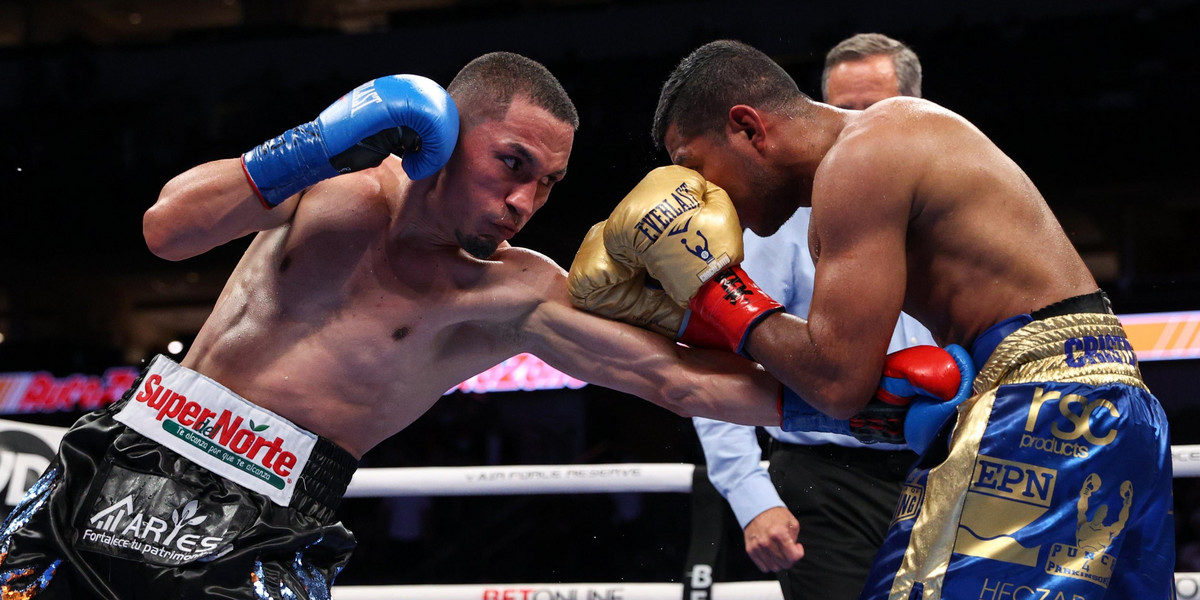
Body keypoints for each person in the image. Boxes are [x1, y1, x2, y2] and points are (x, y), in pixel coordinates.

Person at [0, 52, 798, 600]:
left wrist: (849, 400)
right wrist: (315, 143)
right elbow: (167, 230)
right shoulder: (332, 182)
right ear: (447, 132)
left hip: (260, 524)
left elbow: (673, 377)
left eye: (548, 184)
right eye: (511, 164)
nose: (525, 203)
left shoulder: (511, 292)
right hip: (119, 457)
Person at [572, 39, 1174, 598]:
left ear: (748, 127)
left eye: (695, 167)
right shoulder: (876, 155)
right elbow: (818, 363)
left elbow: (836, 381)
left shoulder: (859, 160)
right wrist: (673, 317)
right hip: (1094, 399)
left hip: (1044, 405)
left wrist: (714, 287)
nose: (699, 195)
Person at [690, 33, 932, 600]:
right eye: (840, 111)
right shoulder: (786, 217)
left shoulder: (940, 208)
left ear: (918, 113)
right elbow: (725, 353)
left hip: (940, 467)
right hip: (825, 479)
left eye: (872, 111)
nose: (856, 128)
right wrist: (754, 498)